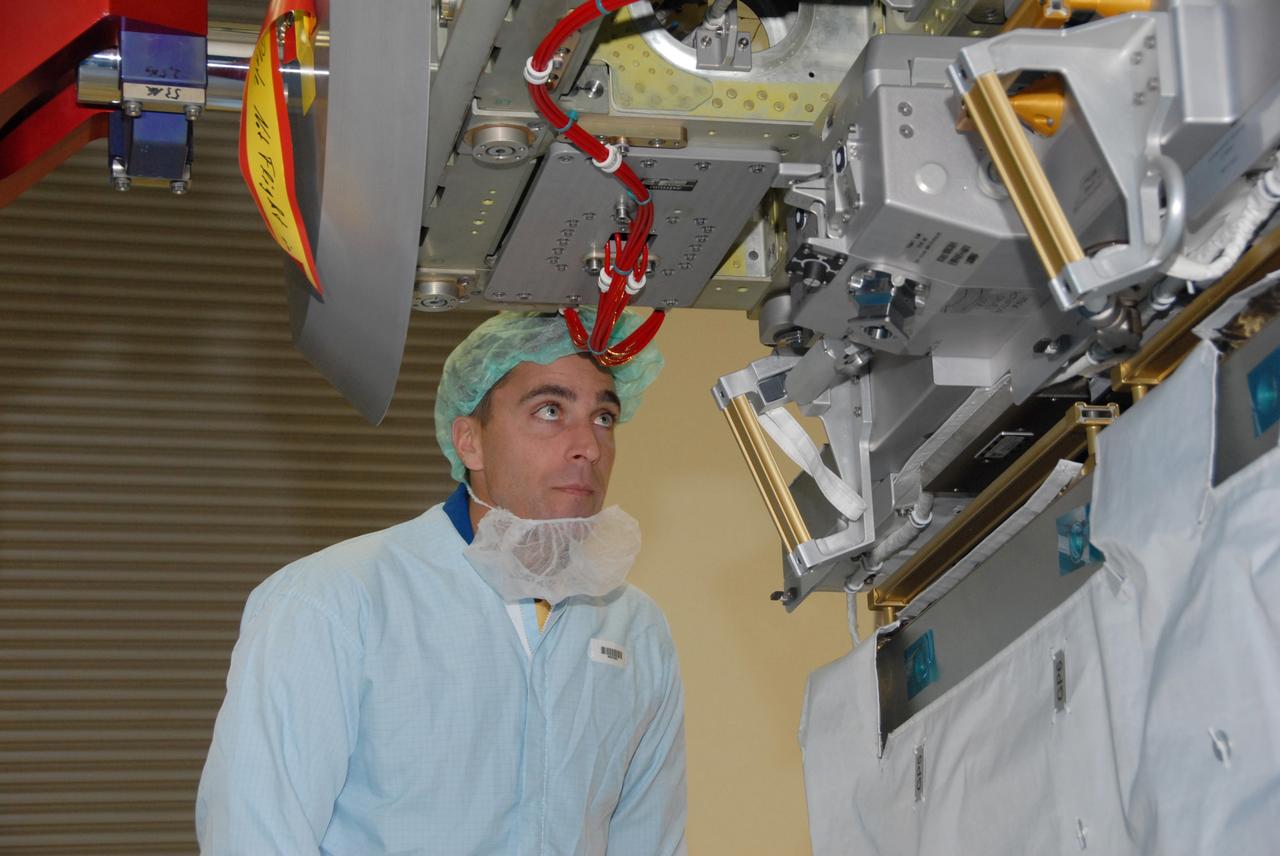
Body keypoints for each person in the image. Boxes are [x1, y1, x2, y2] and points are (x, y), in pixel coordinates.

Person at [196, 310, 686, 854]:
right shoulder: (333, 601)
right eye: (550, 410)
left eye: (604, 418)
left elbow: (648, 838)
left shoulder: (635, 627)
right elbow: (253, 835)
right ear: (469, 441)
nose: (589, 447)